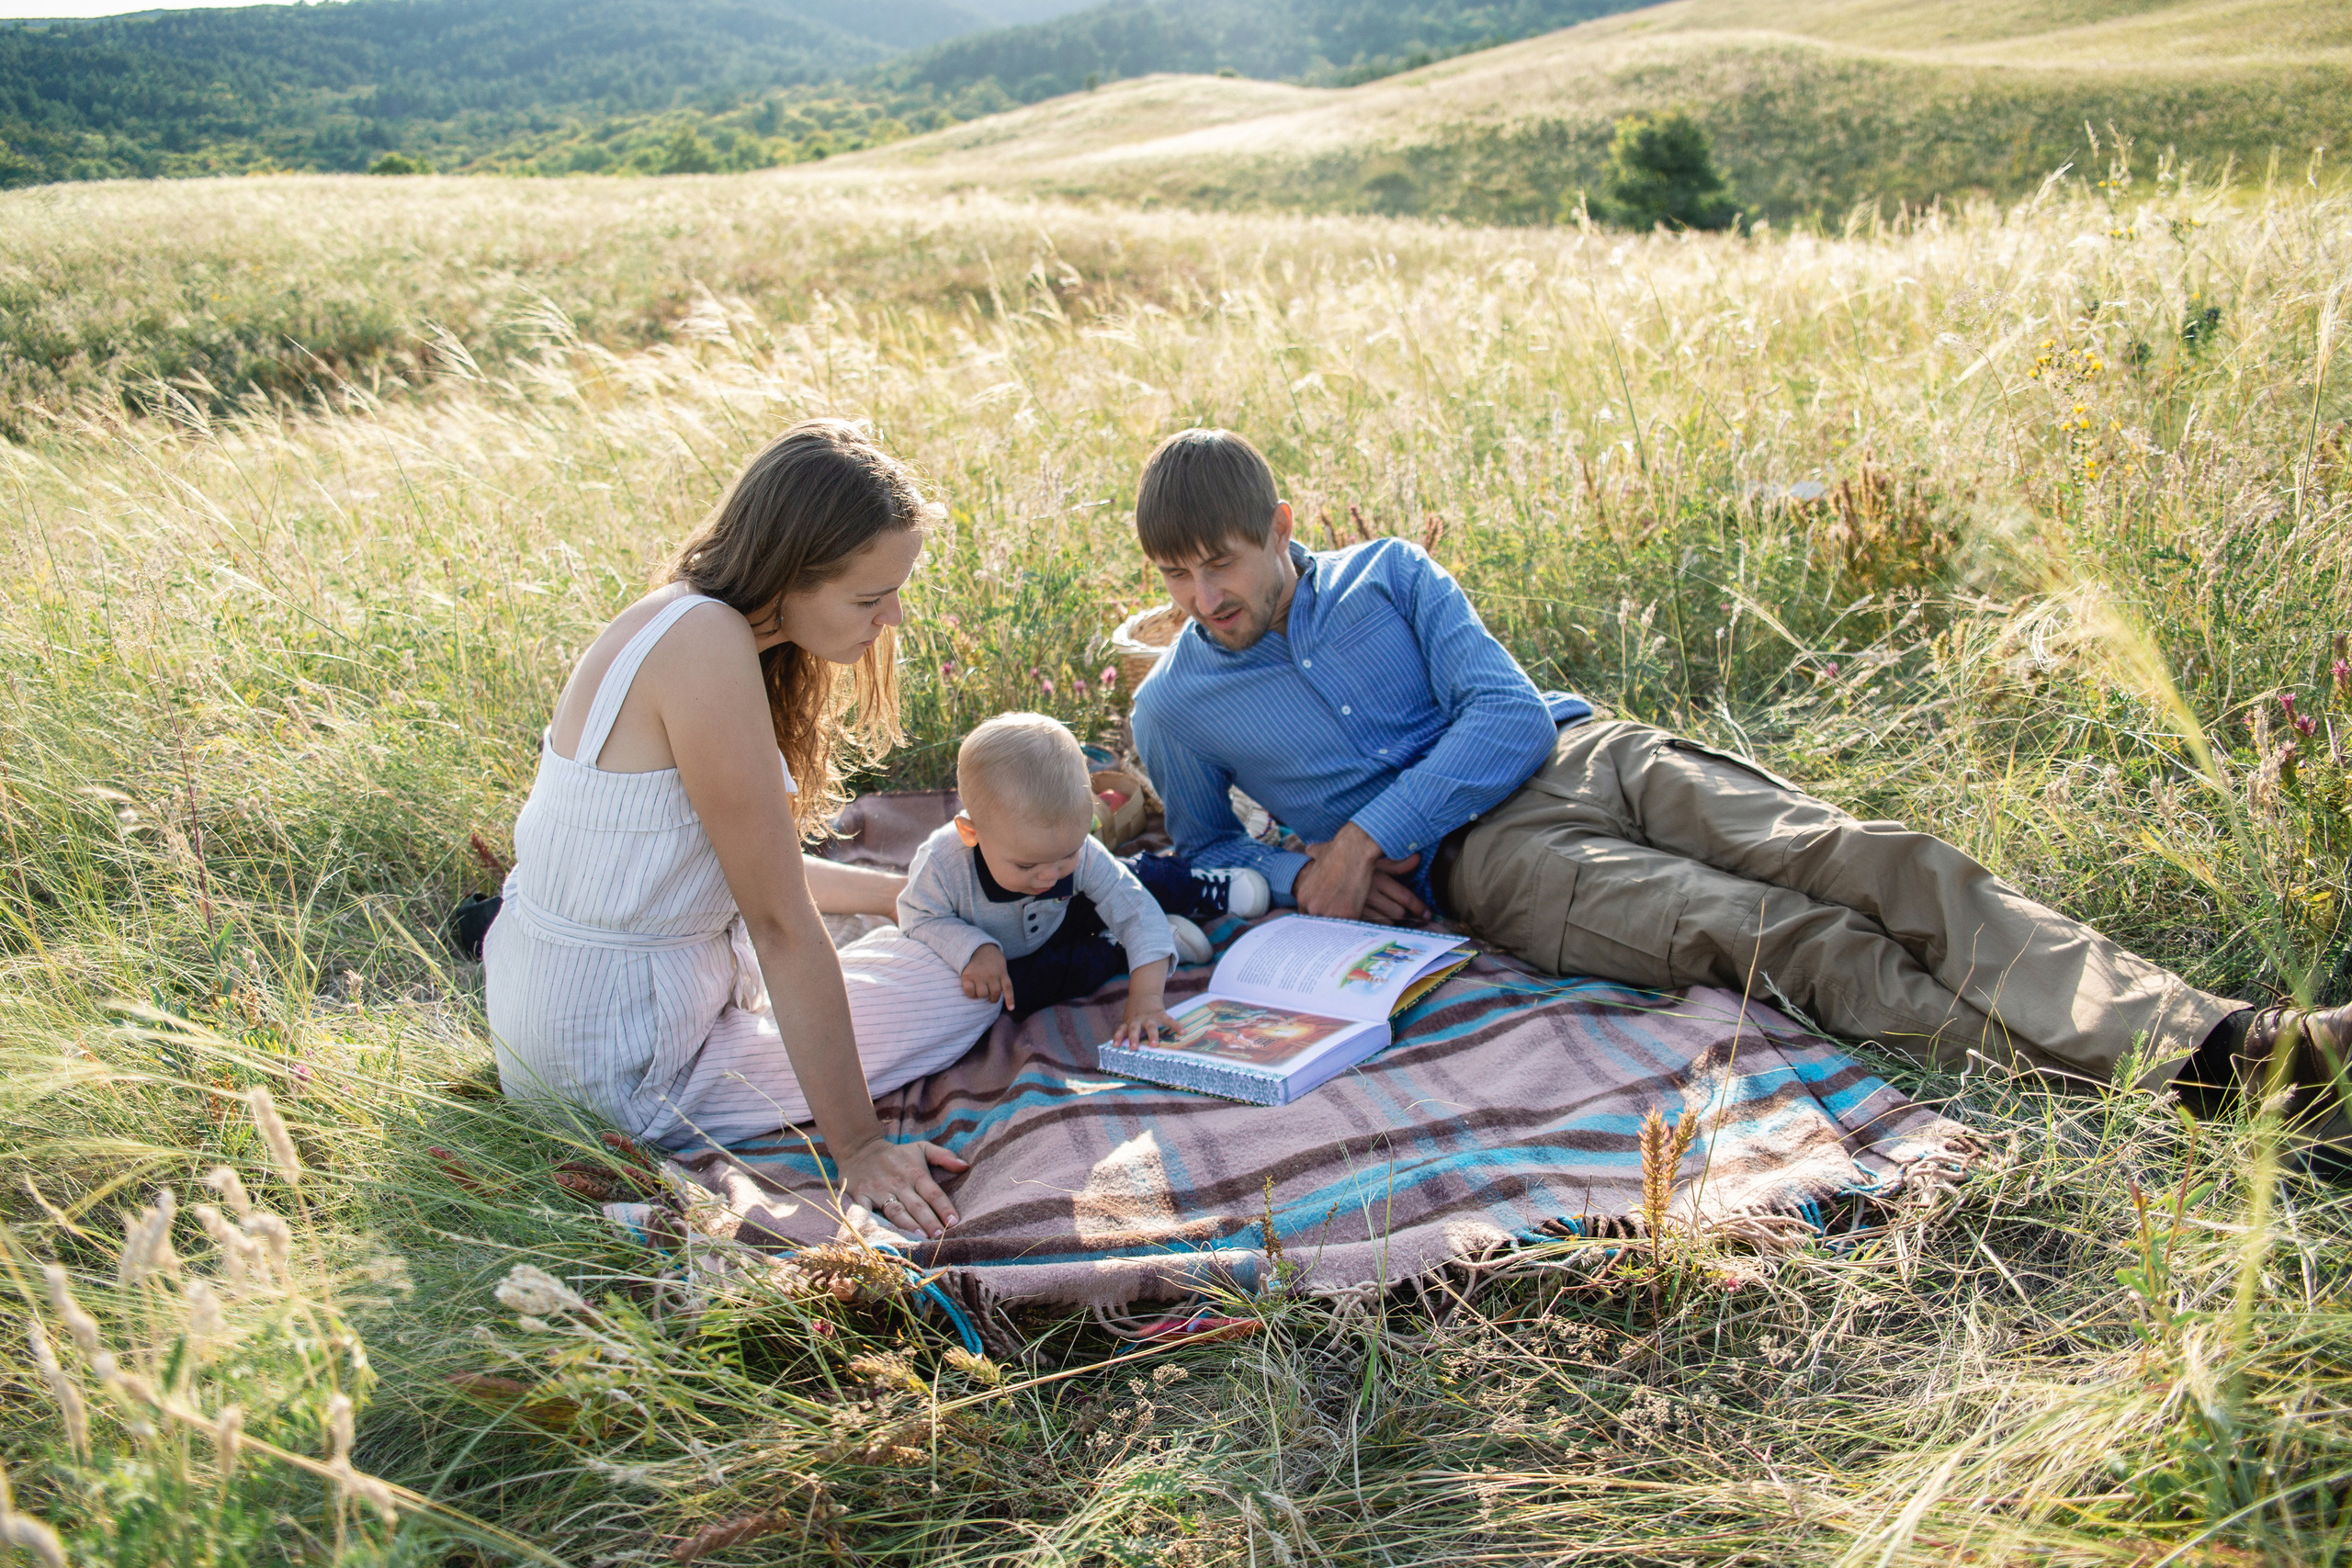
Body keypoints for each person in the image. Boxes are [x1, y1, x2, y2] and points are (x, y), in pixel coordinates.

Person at [1125, 427, 2349, 1131]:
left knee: (1871, 855)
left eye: (1221, 562)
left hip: (1578, 751)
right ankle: (2169, 1093)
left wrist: (1367, 824)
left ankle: (2236, 1040)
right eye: (1177, 577)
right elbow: (1203, 855)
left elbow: (1500, 715)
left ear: (1282, 522)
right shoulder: (1175, 701)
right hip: (1484, 863)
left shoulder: (1393, 572)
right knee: (1778, 931)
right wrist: (1309, 864)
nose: (1205, 598)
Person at [483, 419, 1000, 1239]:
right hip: (623, 1067)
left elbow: (758, 872)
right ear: (791, 571)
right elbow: (780, 920)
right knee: (968, 985)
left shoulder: (679, 619)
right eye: (870, 597)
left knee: (937, 924)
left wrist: (908, 892)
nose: (892, 616)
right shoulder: (708, 645)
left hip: (553, 1022)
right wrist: (861, 1146)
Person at [896, 712, 1253, 1041]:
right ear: (971, 834)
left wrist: (1146, 998)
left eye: (1068, 852)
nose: (1050, 874)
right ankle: (1120, 947)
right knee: (1019, 991)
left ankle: (1196, 887)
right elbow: (917, 917)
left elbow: (1134, 907)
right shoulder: (941, 865)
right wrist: (973, 947)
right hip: (1017, 948)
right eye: (1026, 865)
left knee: (1139, 881)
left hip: (1073, 908)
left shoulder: (1076, 855)